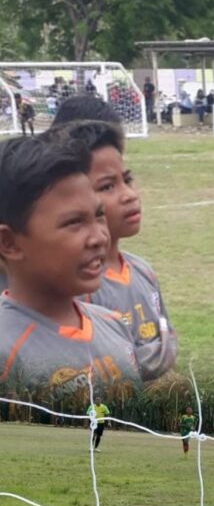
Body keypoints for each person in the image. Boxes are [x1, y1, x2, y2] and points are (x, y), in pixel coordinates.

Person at [0, 136, 141, 402]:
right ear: (9, 243)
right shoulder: (7, 355)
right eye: (74, 222)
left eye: (98, 216)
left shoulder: (113, 324)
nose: (99, 237)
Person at [45, 121, 177, 381]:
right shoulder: (80, 288)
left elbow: (168, 345)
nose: (129, 195)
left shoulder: (143, 271)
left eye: (127, 180)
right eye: (107, 186)